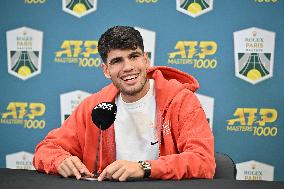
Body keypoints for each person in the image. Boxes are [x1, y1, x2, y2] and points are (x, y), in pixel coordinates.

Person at [33, 26, 215, 181]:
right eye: (117, 61)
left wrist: (143, 168)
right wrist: (59, 160)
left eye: (134, 56)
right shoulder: (93, 106)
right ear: (106, 69)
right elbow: (46, 149)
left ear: (146, 60)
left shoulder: (181, 101)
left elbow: (203, 161)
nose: (128, 67)